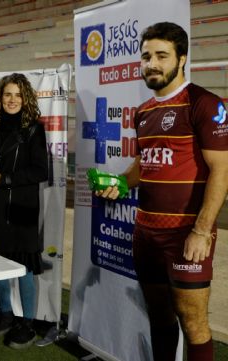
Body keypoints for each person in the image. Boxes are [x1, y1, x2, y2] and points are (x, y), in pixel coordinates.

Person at [95, 22, 228, 361]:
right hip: (146, 232)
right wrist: (121, 183)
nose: (151, 64)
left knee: (193, 320)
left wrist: (201, 231)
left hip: (186, 233)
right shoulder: (144, 112)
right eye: (146, 57)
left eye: (161, 56)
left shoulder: (205, 104)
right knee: (159, 314)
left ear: (182, 58)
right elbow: (146, 162)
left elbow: (222, 170)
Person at [0, 73, 48, 349]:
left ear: (26, 98)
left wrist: (3, 180)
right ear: (0, 98)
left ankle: (27, 323)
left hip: (22, 207)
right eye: (8, 94)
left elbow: (40, 170)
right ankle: (5, 314)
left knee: (24, 267)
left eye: (18, 95)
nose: (12, 100)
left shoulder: (34, 129)